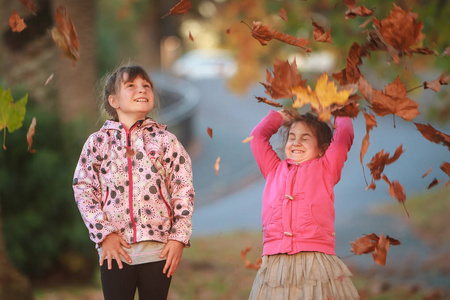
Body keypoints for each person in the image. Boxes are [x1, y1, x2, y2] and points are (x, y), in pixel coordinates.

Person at [73, 65, 195, 300]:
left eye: (146, 86)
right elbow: (84, 188)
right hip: (115, 250)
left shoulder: (165, 141)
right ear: (114, 100)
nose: (142, 89)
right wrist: (104, 234)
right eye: (131, 86)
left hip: (158, 251)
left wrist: (179, 237)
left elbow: (183, 188)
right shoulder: (98, 142)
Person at [248, 107, 359, 299]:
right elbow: (257, 137)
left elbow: (344, 135)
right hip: (276, 263)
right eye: (292, 137)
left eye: (305, 138)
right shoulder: (274, 169)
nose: (296, 142)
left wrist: (338, 111)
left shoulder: (326, 168)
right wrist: (278, 118)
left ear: (322, 148)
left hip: (315, 260)